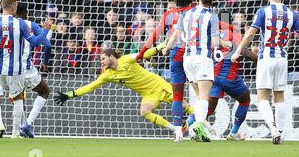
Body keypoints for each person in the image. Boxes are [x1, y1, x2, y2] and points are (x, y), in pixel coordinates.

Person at [231, 0, 299, 144]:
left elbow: (250, 33)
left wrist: (238, 51)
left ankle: (273, 129)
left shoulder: (263, 11)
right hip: (282, 59)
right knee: (279, 96)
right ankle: (281, 132)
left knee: (263, 96)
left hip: (266, 58)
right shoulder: (291, 14)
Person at [54, 48, 194, 135]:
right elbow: (90, 87)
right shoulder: (107, 75)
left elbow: (142, 54)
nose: (101, 62)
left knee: (184, 107)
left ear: (111, 56)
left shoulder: (126, 60)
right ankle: (175, 129)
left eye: (103, 58)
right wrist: (69, 95)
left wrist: (159, 47)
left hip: (158, 85)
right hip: (148, 94)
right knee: (144, 112)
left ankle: (204, 122)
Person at [0, 0, 53, 138]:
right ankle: (19, 130)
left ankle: (1, 124)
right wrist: (46, 31)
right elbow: (39, 43)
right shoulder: (24, 24)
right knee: (20, 97)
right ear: (13, 7)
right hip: (20, 69)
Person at [163, 0, 222, 143]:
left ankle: (196, 129)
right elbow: (215, 42)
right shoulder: (212, 16)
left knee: (197, 96)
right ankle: (198, 127)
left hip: (187, 60)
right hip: (202, 58)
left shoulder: (186, 14)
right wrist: (226, 43)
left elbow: (175, 36)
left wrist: (167, 48)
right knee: (204, 96)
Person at [185, 18, 258, 141]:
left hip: (211, 76)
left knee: (207, 110)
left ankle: (185, 125)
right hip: (229, 77)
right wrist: (260, 60)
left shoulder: (208, 33)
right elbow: (244, 52)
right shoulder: (233, 32)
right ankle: (233, 133)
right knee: (245, 100)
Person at [136, 0, 194, 142]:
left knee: (177, 96)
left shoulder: (168, 14)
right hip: (193, 56)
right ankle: (196, 128)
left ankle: (179, 134)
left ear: (175, 0)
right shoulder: (196, 13)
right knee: (201, 95)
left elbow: (154, 36)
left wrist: (141, 54)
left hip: (175, 55)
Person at [15, 3, 53, 138]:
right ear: (26, 13)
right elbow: (47, 45)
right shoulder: (31, 25)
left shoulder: (4, 25)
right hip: (27, 69)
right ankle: (27, 125)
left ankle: (20, 127)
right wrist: (45, 63)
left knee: (17, 97)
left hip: (8, 69)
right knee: (44, 91)